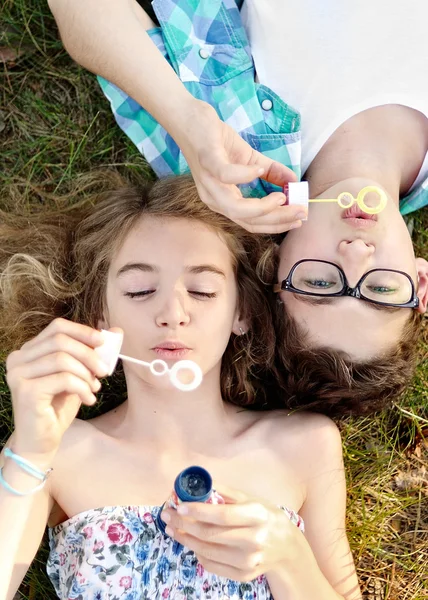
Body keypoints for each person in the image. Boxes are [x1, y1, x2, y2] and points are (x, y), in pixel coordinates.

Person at [47, 0, 428, 412]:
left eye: (319, 283)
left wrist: (184, 117)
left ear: (277, 266)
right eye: (382, 289)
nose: (356, 253)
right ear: (420, 282)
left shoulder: (231, 164)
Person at [0, 175, 362, 599]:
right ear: (100, 313)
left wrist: (287, 557)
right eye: (140, 290)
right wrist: (30, 449)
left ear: (241, 312)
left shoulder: (305, 444)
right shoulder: (59, 452)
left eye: (202, 290)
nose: (173, 313)